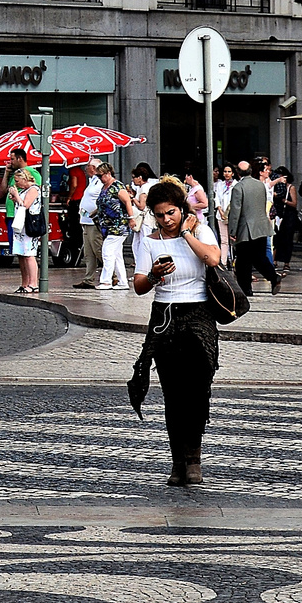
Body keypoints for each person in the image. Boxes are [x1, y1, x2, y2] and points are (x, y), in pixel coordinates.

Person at [129, 177, 222, 487]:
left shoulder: (200, 230)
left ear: (182, 209)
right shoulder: (150, 240)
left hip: (198, 315)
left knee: (197, 390)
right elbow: (139, 285)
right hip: (165, 316)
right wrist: (154, 275)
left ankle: (194, 459)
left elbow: (213, 258)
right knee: (172, 393)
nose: (166, 220)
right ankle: (177, 462)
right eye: (159, 214)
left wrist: (185, 234)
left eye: (171, 213)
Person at [228, 159, 282, 296]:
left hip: (246, 229)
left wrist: (232, 230)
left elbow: (235, 211)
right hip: (261, 227)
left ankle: (246, 289)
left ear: (238, 173)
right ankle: (273, 277)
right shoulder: (260, 185)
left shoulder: (238, 188)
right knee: (259, 257)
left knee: (243, 261)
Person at [94, 163, 132, 291]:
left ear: (108, 173)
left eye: (100, 175)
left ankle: (106, 281)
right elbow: (103, 204)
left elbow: (127, 201)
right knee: (116, 255)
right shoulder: (105, 187)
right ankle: (123, 282)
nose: (99, 178)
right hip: (108, 226)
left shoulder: (117, 186)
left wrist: (131, 218)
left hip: (118, 225)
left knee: (107, 251)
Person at [8, 161, 40, 294]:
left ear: (24, 178)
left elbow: (25, 205)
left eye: (17, 181)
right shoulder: (24, 190)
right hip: (20, 225)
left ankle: (33, 283)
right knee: (21, 254)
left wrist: (16, 195)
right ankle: (24, 282)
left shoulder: (34, 189)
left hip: (29, 225)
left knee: (29, 254)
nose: (16, 184)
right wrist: (15, 198)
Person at [74, 162, 105, 289]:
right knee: (88, 253)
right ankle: (89, 278)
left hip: (93, 221)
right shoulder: (92, 181)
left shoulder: (101, 182)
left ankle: (113, 275)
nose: (86, 168)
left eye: (88, 166)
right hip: (85, 221)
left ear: (95, 168)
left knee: (98, 249)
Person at [270, 167, 300, 274]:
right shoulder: (275, 188)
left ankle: (286, 262)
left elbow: (294, 203)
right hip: (278, 214)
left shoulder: (290, 188)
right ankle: (275, 260)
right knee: (276, 238)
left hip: (288, 215)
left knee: (287, 239)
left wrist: (284, 200)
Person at [214, 165, 235, 265]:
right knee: (224, 240)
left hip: (233, 216)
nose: (227, 173)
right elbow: (217, 198)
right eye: (225, 171)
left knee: (234, 240)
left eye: (229, 171)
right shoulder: (220, 184)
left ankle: (235, 261)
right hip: (221, 215)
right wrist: (221, 211)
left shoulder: (236, 184)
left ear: (233, 173)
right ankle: (224, 262)